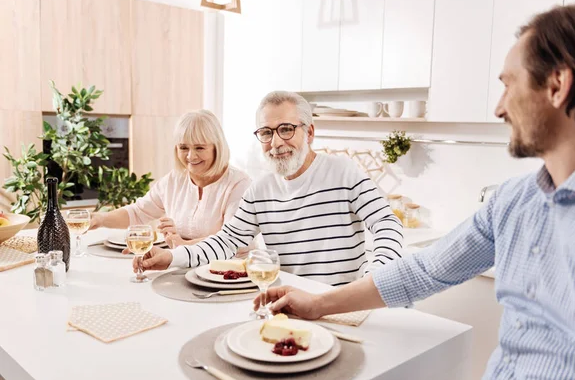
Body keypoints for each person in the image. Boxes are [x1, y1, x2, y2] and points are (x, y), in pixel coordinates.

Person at [254, 3, 575, 380]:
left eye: (508, 84)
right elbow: (424, 270)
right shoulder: (513, 202)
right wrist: (317, 303)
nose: (499, 107)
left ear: (557, 85)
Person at [133, 91, 404, 286]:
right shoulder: (259, 190)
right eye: (266, 132)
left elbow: (386, 223)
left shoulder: (343, 172)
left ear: (309, 133)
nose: (275, 142)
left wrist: (375, 276)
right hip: (286, 298)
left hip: (341, 298)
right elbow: (227, 242)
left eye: (286, 129)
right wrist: (171, 257)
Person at [90, 110, 251, 249]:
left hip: (231, 274)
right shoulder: (174, 180)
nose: (191, 156)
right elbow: (138, 213)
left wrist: (183, 246)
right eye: (183, 148)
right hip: (184, 268)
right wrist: (100, 218)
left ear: (217, 147)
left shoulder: (239, 184)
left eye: (200, 148)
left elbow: (232, 240)